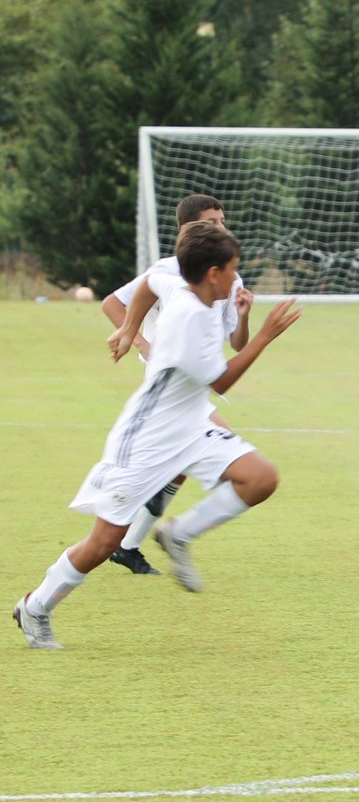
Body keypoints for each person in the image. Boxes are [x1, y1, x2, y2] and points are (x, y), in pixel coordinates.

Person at [13, 222, 301, 649]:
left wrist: (129, 329)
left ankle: (179, 533)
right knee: (103, 542)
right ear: (212, 273)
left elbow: (149, 283)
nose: (237, 276)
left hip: (193, 425)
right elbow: (220, 382)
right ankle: (35, 607)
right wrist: (263, 336)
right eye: (233, 269)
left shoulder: (179, 286)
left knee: (260, 477)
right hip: (147, 438)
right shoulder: (191, 322)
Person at [100, 193, 253, 575]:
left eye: (223, 220)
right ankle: (171, 535)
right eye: (213, 222)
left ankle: (130, 545)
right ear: (188, 228)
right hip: (171, 386)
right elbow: (113, 303)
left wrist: (247, 318)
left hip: (196, 381)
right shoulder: (169, 269)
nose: (221, 227)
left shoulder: (228, 273)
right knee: (242, 466)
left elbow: (237, 343)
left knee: (179, 467)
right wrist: (140, 343)